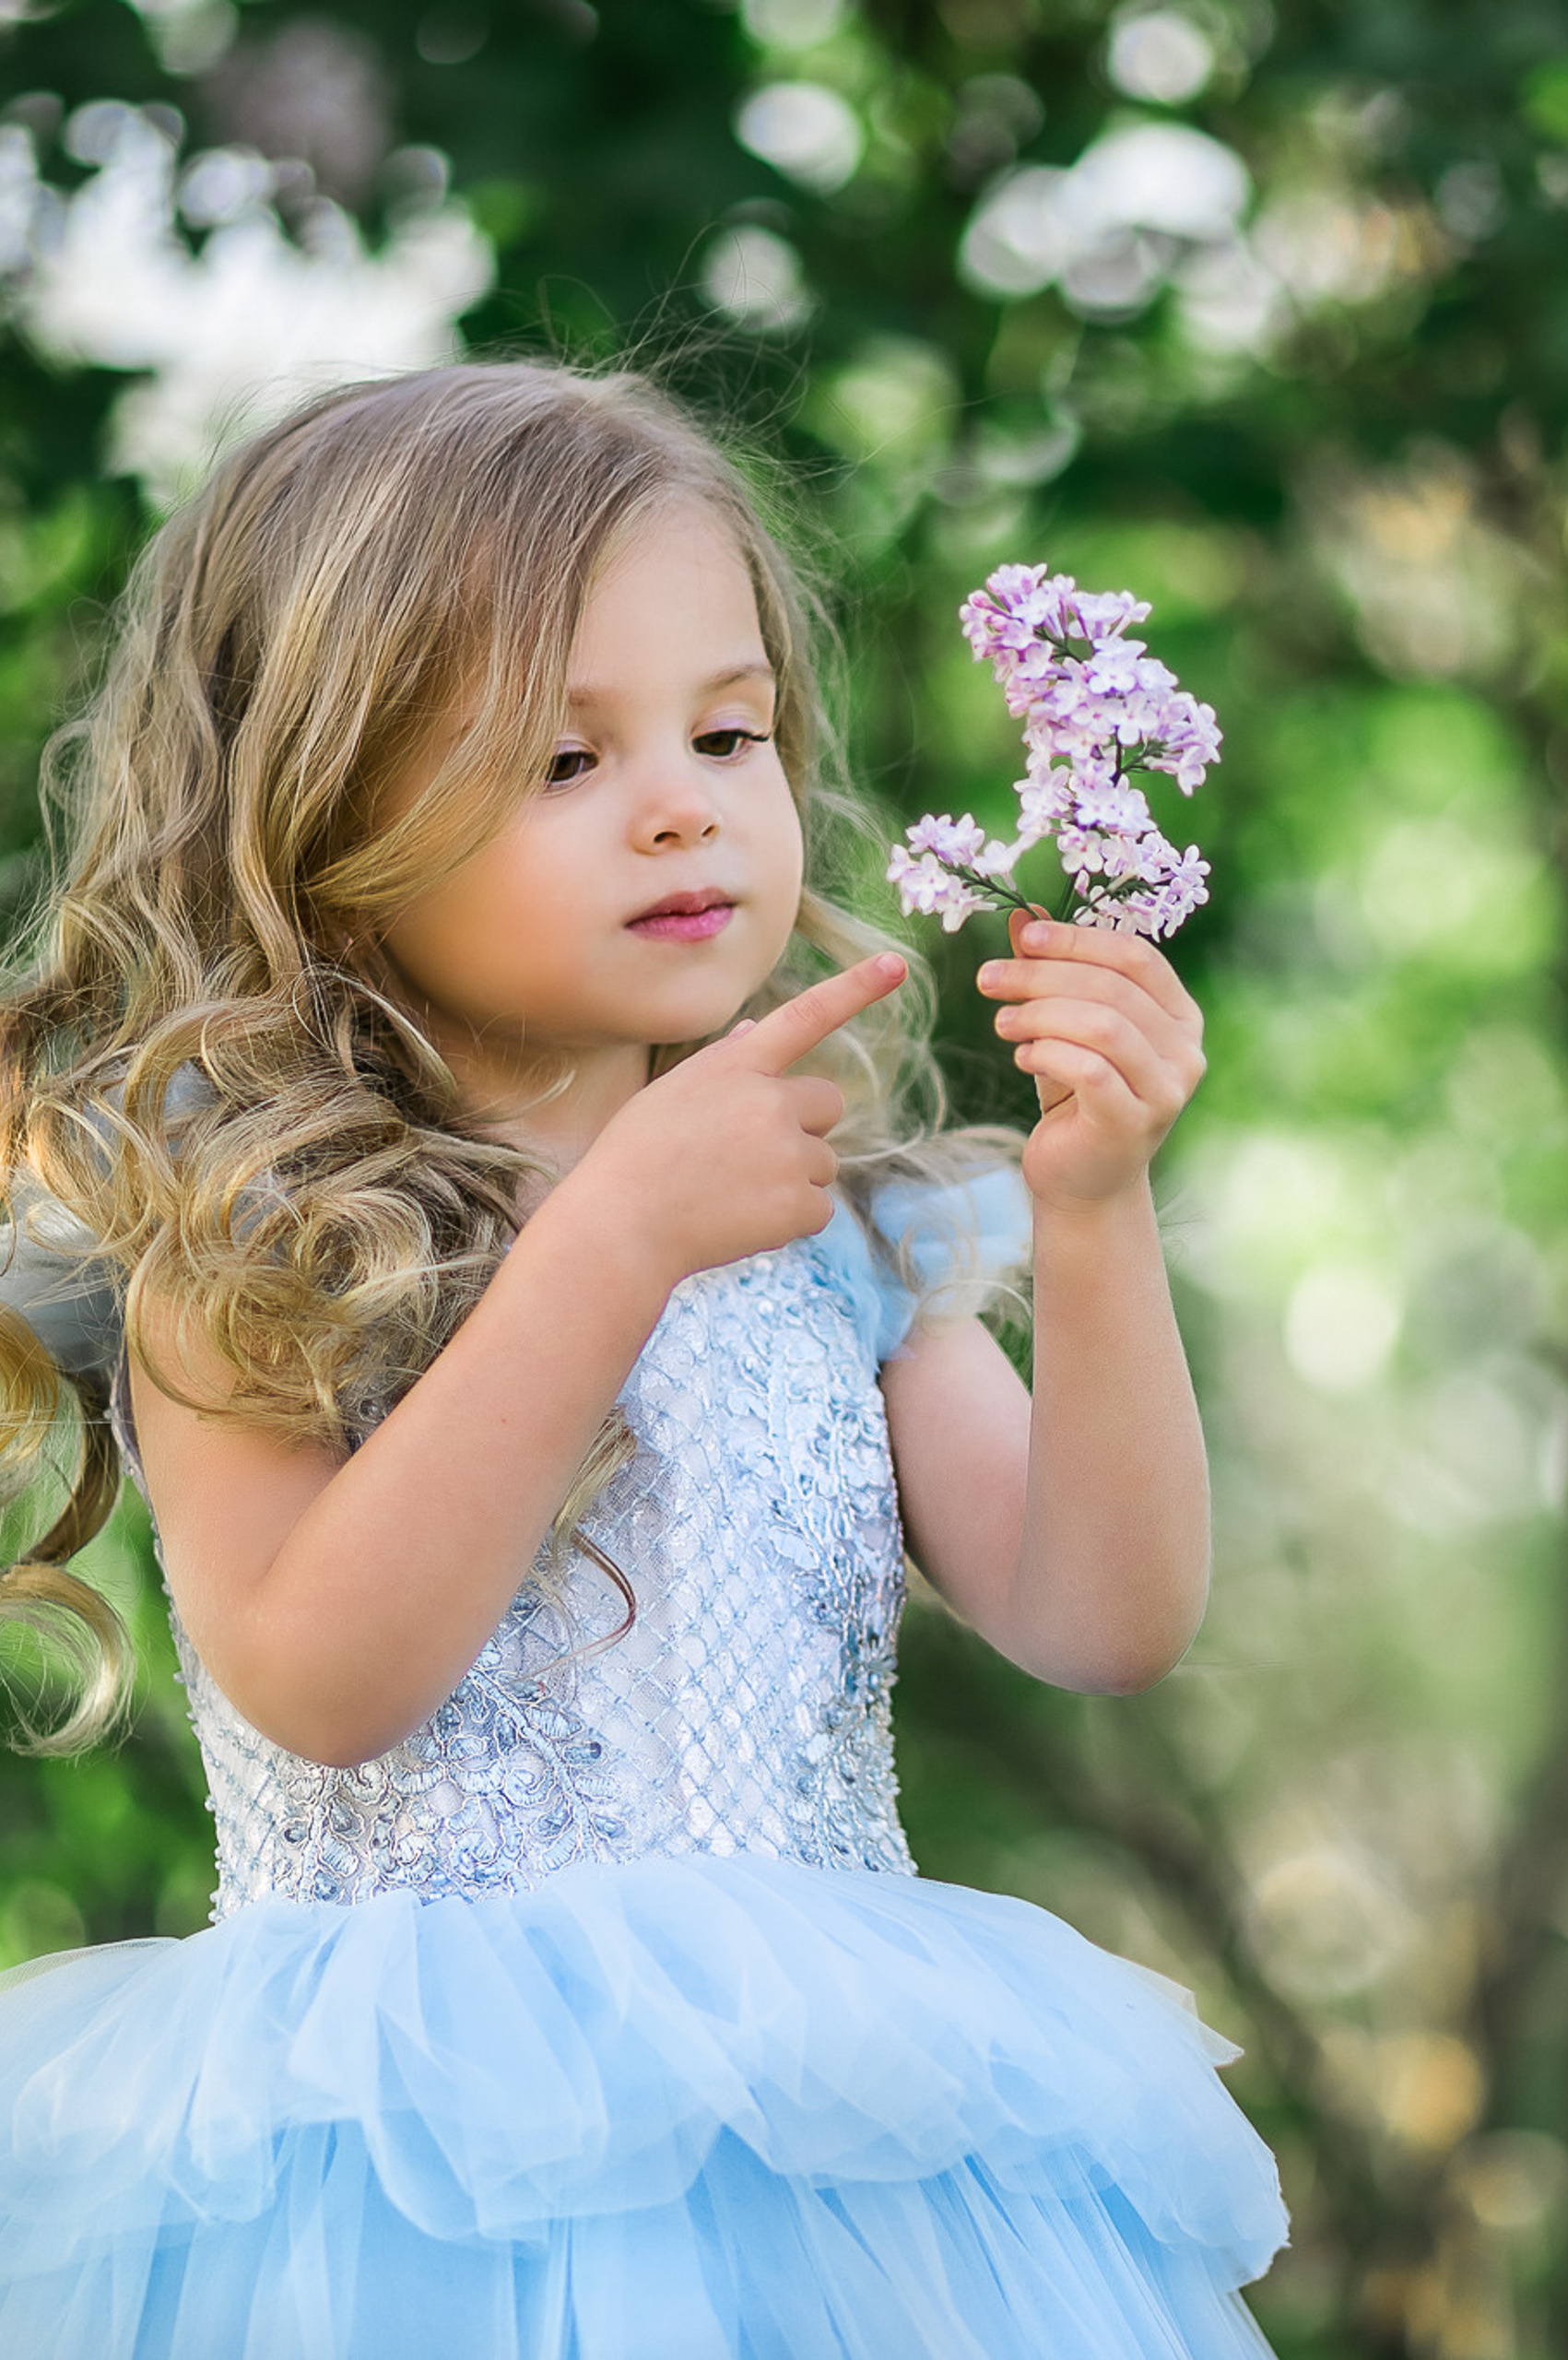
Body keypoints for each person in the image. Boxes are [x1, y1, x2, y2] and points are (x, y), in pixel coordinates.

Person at [0, 361, 1287, 2356]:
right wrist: (605, 1243)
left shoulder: (836, 1225)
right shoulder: (250, 1229)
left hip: (849, 2169)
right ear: (325, 813)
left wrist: (1096, 1210)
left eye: (727, 729)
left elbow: (1100, 1612)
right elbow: (324, 1679)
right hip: (403, 2193)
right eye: (558, 758)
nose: (684, 800)